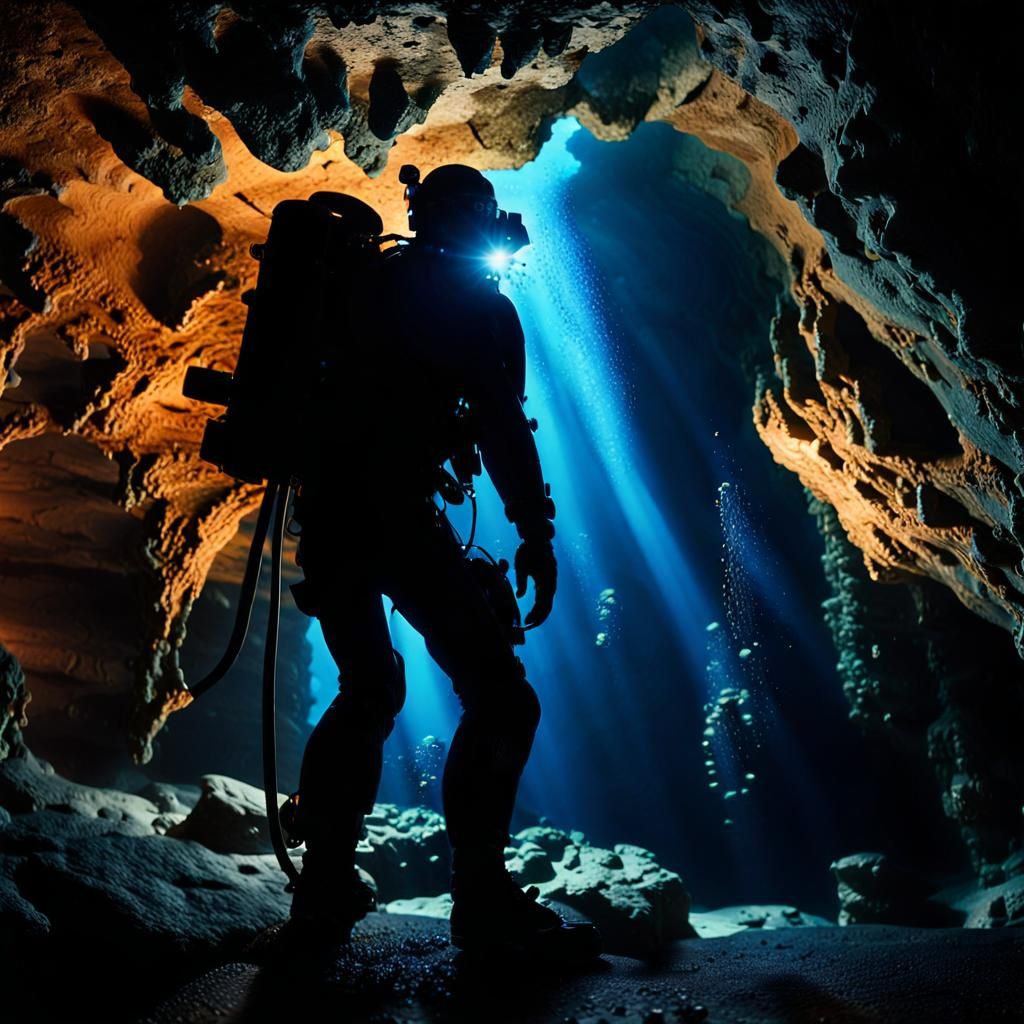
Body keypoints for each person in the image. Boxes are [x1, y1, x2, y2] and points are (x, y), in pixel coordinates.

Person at [286, 164, 600, 961]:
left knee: (368, 688)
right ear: (484, 226)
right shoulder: (474, 304)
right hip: (394, 512)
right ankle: (483, 900)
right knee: (502, 698)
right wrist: (535, 529)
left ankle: (322, 886)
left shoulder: (361, 281)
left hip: (325, 508)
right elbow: (498, 423)